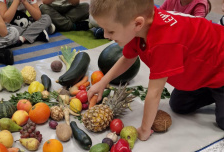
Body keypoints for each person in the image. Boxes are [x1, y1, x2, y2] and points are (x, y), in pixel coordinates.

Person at [88, 0, 224, 141]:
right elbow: (127, 59)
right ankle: (210, 91)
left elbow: (154, 93)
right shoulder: (140, 25)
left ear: (137, 24)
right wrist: (103, 82)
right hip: (203, 72)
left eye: (110, 31)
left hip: (220, 69)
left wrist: (144, 130)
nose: (105, 35)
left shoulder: (165, 43)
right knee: (179, 106)